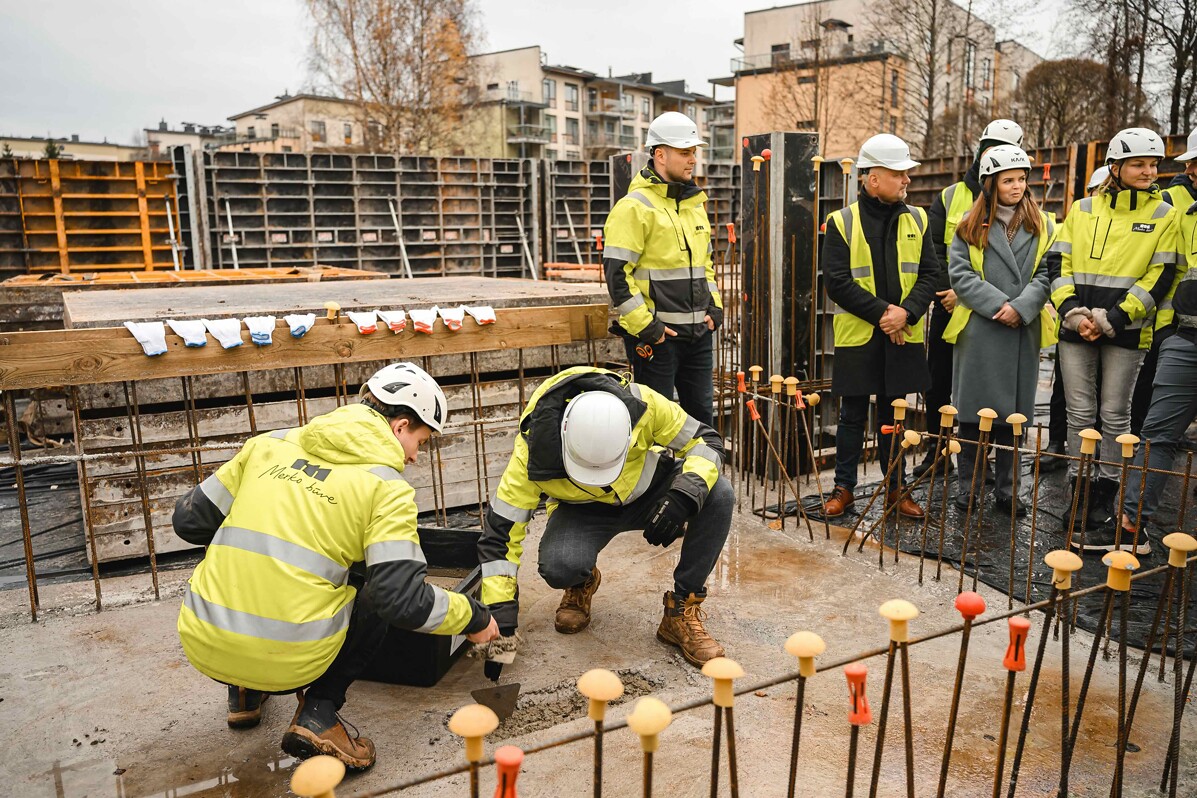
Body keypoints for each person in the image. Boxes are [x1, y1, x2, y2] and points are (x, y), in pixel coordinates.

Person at [172, 362, 498, 770]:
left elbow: (188, 521)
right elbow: (401, 600)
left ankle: (244, 690)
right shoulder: (385, 488)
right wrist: (473, 616)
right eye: (421, 441)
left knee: (244, 544)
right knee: (378, 587)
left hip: (205, 640)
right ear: (399, 427)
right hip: (293, 657)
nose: (415, 456)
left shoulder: (267, 445)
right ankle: (319, 714)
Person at [476, 366, 732, 666]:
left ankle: (680, 611)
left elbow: (707, 441)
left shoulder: (645, 405)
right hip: (582, 509)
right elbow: (499, 540)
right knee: (559, 566)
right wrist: (500, 624)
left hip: (647, 488)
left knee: (719, 494)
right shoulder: (533, 450)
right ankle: (581, 582)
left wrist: (684, 495)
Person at [1047, 128, 1180, 550]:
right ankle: (1079, 491)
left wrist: (1114, 318)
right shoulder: (1082, 209)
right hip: (1075, 327)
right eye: (1139, 164)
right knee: (1078, 413)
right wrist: (1071, 312)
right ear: (1116, 167)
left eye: (1153, 164)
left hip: (1124, 331)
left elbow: (1161, 275)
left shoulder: (1165, 215)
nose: (1148, 171)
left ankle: (1104, 497)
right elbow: (1058, 261)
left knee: (1115, 415)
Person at [820, 134, 939, 519]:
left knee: (896, 416)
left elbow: (929, 275)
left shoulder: (918, 219)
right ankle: (844, 488)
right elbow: (837, 282)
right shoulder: (841, 222)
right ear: (873, 178)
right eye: (899, 174)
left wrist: (906, 313)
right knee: (852, 414)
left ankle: (895, 488)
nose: (906, 181)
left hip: (903, 335)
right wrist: (884, 314)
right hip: (862, 336)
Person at [943, 145, 1057, 515]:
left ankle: (1009, 491)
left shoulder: (1042, 224)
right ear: (989, 184)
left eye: (1022, 179)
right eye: (1008, 180)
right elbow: (960, 274)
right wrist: (999, 306)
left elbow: (1046, 273)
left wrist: (1021, 308)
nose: (1017, 186)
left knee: (1014, 420)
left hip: (1021, 330)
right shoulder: (968, 225)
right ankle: (970, 489)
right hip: (981, 330)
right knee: (973, 419)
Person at [917, 119, 1026, 479]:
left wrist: (967, 296)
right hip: (949, 303)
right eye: (988, 146)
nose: (991, 154)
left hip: (988, 313)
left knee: (987, 384)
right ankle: (936, 450)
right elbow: (934, 250)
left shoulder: (1020, 203)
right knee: (938, 379)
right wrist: (952, 291)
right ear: (980, 149)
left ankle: (981, 458)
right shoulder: (949, 197)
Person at [604, 111, 723, 425]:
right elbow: (617, 276)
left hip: (698, 338)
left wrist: (715, 307)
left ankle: (702, 477)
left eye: (693, 152)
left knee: (702, 425)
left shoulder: (695, 206)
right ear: (660, 154)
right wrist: (648, 328)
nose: (692, 159)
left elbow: (705, 266)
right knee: (653, 428)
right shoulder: (634, 208)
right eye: (685, 152)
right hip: (657, 342)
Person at [1116, 130, 1197, 550]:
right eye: (1192, 166)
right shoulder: (1180, 216)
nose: (1192, 172)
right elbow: (1169, 278)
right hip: (1186, 343)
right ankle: (1131, 525)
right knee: (1157, 436)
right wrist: (1166, 334)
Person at [1042, 165, 1112, 473]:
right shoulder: (1076, 221)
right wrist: (1073, 312)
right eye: (1096, 191)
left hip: (1107, 322)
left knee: (1104, 396)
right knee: (1063, 391)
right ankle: (1057, 443)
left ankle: (1094, 452)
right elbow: (1057, 265)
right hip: (1073, 319)